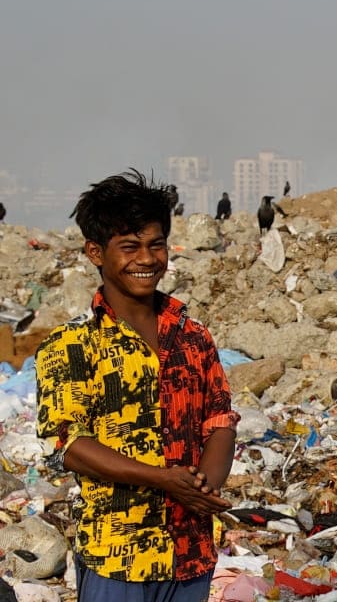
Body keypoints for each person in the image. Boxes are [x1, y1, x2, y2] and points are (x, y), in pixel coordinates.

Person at [35, 169, 239, 602]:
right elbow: (67, 443)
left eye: (156, 244)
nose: (146, 259)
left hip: (191, 553)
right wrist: (165, 480)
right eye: (129, 247)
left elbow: (220, 420)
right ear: (95, 251)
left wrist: (204, 488)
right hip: (117, 553)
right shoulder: (72, 344)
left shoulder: (193, 336)